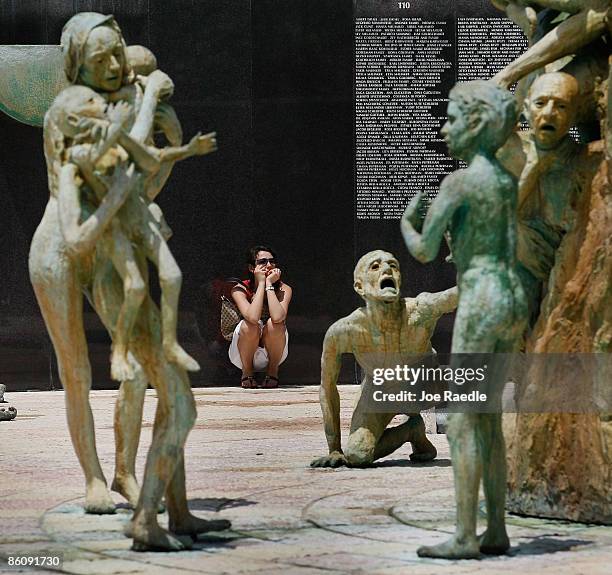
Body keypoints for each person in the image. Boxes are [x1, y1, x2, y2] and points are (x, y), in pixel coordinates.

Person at [30, 12, 229, 551]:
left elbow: (144, 179)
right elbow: (109, 173)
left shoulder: (121, 96)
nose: (115, 65)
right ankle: (96, 477)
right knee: (76, 369)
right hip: (64, 248)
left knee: (156, 372)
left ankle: (171, 503)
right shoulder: (74, 108)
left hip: (113, 240)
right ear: (78, 66)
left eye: (118, 52)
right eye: (101, 60)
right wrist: (147, 112)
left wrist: (171, 134)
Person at [402, 81, 527, 559]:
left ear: (475, 124)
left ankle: (464, 535)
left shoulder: (460, 182)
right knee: (488, 415)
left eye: (452, 118)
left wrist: (407, 222)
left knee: (460, 421)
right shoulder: (504, 179)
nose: (443, 126)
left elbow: (425, 249)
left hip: (481, 295)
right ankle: (495, 528)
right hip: (511, 295)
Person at [48, 84, 216, 380]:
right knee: (136, 286)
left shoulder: (117, 136)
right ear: (75, 120)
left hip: (139, 214)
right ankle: (120, 350)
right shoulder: (78, 153)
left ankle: (169, 342)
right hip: (114, 224)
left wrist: (188, 150)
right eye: (90, 101)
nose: (100, 103)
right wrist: (117, 126)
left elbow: (151, 157)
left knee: (173, 276)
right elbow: (93, 163)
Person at [310, 250, 457, 469]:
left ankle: (414, 425)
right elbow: (327, 387)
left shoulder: (420, 311)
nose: (387, 269)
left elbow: (455, 295)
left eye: (393, 266)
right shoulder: (344, 331)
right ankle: (412, 430)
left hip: (419, 386)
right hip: (379, 390)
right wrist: (334, 448)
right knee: (357, 455)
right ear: (360, 286)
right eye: (375, 266)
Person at [229, 246, 292, 388]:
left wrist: (269, 284)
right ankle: (247, 372)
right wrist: (261, 283)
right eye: (262, 262)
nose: (269, 265)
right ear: (252, 268)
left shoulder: (284, 289)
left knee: (275, 324)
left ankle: (273, 372)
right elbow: (252, 317)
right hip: (242, 353)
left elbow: (277, 317)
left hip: (273, 353)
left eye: (272, 261)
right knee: (250, 324)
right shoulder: (239, 289)